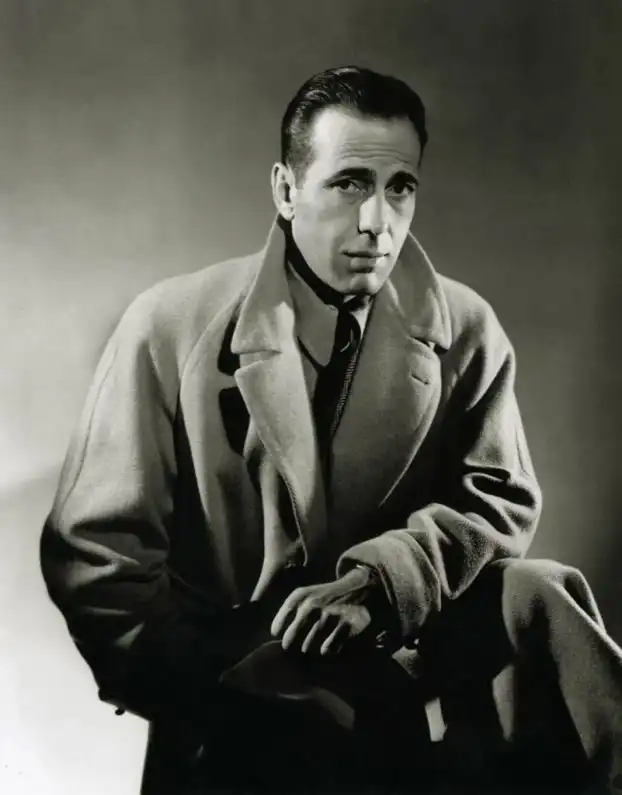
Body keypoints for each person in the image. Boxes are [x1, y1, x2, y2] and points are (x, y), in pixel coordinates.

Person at [40, 66, 622, 795]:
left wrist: (381, 583)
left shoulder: (466, 329)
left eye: (400, 187)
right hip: (235, 705)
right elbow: (98, 556)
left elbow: (498, 500)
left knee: (537, 596)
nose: (379, 221)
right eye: (349, 184)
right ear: (286, 190)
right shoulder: (170, 327)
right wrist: (217, 692)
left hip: (411, 678)